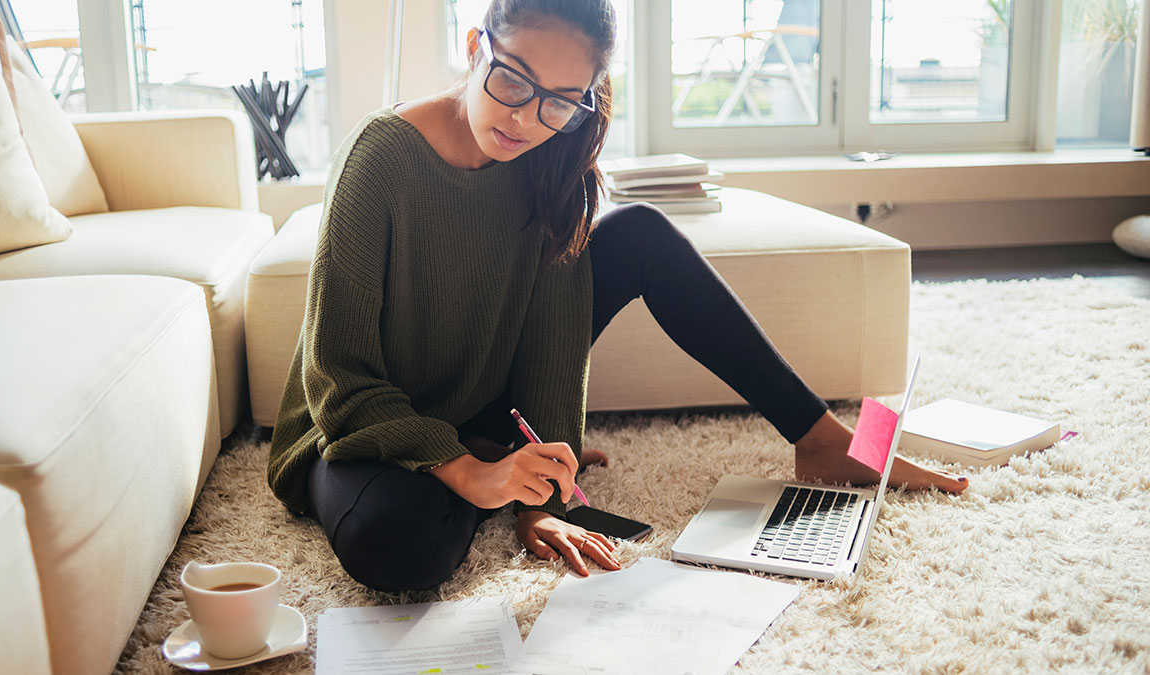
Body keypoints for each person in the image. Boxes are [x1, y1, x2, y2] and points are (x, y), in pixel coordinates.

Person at [267, 0, 967, 594]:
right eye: (513, 80)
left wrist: (542, 494)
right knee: (402, 549)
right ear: (476, 46)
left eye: (561, 102)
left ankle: (823, 439)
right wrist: (471, 471)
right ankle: (487, 456)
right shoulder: (381, 157)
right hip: (360, 425)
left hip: (481, 392)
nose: (527, 119)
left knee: (637, 233)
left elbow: (552, 332)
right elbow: (341, 378)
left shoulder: (552, 155)